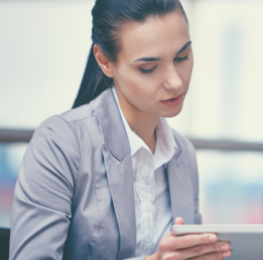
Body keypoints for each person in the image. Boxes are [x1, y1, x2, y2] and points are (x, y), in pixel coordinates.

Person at [9, 0, 231, 259]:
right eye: (148, 68)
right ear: (105, 61)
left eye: (182, 57)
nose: (176, 81)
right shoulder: (59, 143)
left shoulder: (183, 155)